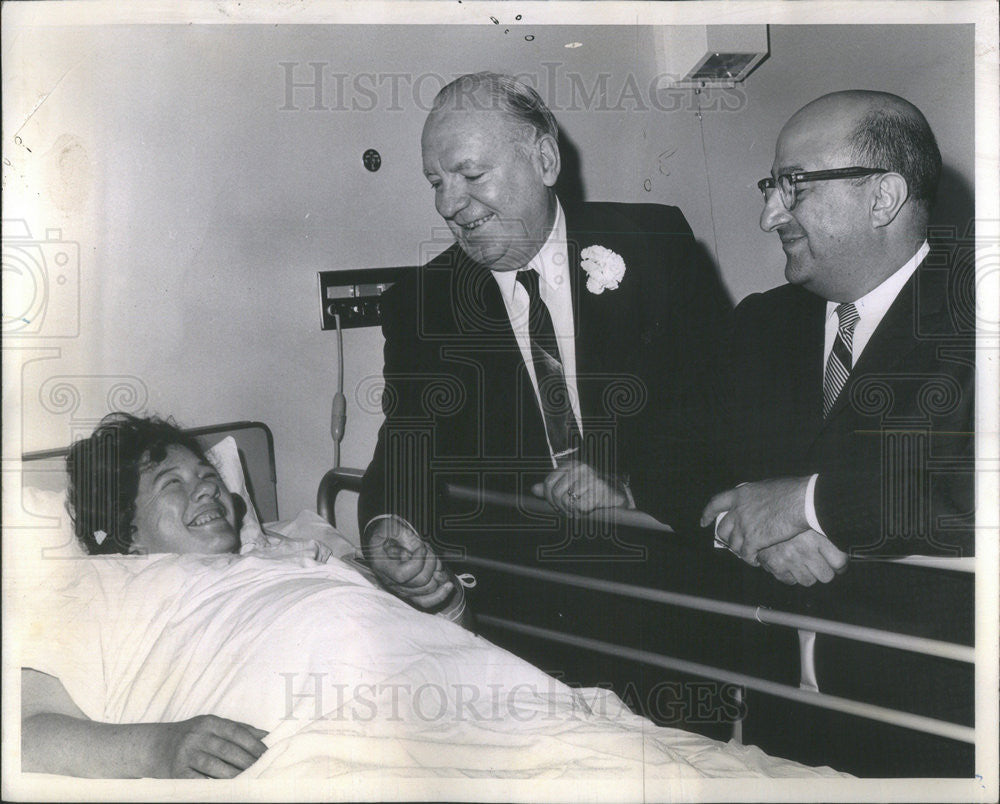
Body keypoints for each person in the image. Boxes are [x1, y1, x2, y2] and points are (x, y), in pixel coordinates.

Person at [360, 72, 732, 604]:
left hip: (668, 562)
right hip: (527, 590)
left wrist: (630, 487)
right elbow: (407, 440)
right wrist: (385, 521)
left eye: (471, 174)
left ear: (544, 161)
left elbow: (718, 404)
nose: (448, 204)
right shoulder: (422, 301)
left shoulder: (655, 244)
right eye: (436, 182)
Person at [700, 90, 974, 776]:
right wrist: (742, 520)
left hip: (941, 731)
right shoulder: (760, 324)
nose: (769, 215)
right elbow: (676, 454)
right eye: (771, 188)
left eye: (792, 185)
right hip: (776, 723)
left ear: (883, 197)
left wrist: (805, 503)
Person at [22, 413, 463, 778]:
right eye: (171, 483)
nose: (208, 488)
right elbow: (24, 735)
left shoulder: (300, 554)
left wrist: (438, 602)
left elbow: (437, 647)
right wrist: (160, 748)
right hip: (329, 755)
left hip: (447, 713)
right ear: (128, 531)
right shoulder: (97, 584)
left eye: (208, 476)